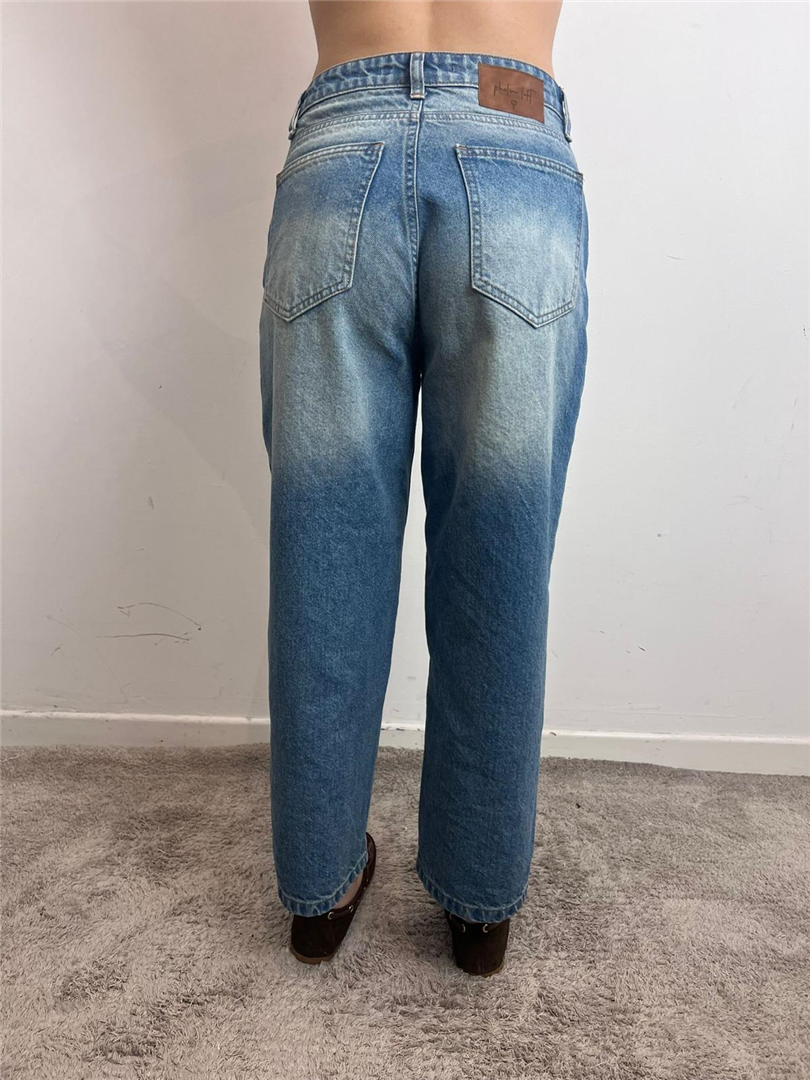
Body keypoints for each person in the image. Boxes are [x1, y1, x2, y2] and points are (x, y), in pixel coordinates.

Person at [258, 0, 588, 977]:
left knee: (324, 554)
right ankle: (479, 907)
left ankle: (319, 889)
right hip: (513, 140)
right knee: (501, 555)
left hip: (339, 150)